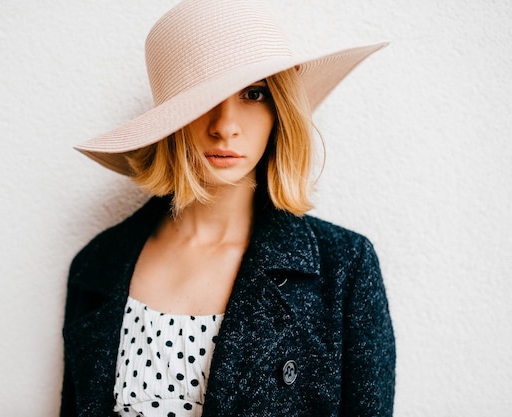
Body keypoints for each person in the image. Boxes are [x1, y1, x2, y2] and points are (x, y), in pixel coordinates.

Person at [60, 0, 395, 416]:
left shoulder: (343, 267)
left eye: (254, 94)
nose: (225, 125)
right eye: (204, 100)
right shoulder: (96, 267)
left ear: (280, 110)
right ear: (171, 120)